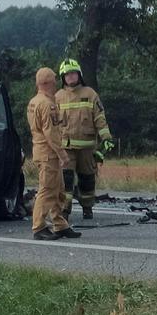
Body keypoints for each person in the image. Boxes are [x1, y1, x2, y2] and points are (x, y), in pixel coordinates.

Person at [27, 67, 81, 240]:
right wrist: (62, 154)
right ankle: (39, 227)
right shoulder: (47, 104)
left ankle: (60, 224)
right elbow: (51, 133)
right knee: (48, 190)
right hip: (48, 153)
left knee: (58, 190)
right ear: (49, 83)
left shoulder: (34, 101)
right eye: (54, 80)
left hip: (41, 150)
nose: (57, 82)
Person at [56, 59, 114, 220]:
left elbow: (100, 118)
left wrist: (106, 138)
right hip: (65, 147)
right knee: (65, 180)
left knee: (87, 179)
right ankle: (64, 211)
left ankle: (87, 208)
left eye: (73, 73)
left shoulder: (90, 94)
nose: (70, 77)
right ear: (63, 77)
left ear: (79, 74)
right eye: (67, 74)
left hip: (87, 147)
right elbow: (51, 123)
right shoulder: (58, 97)